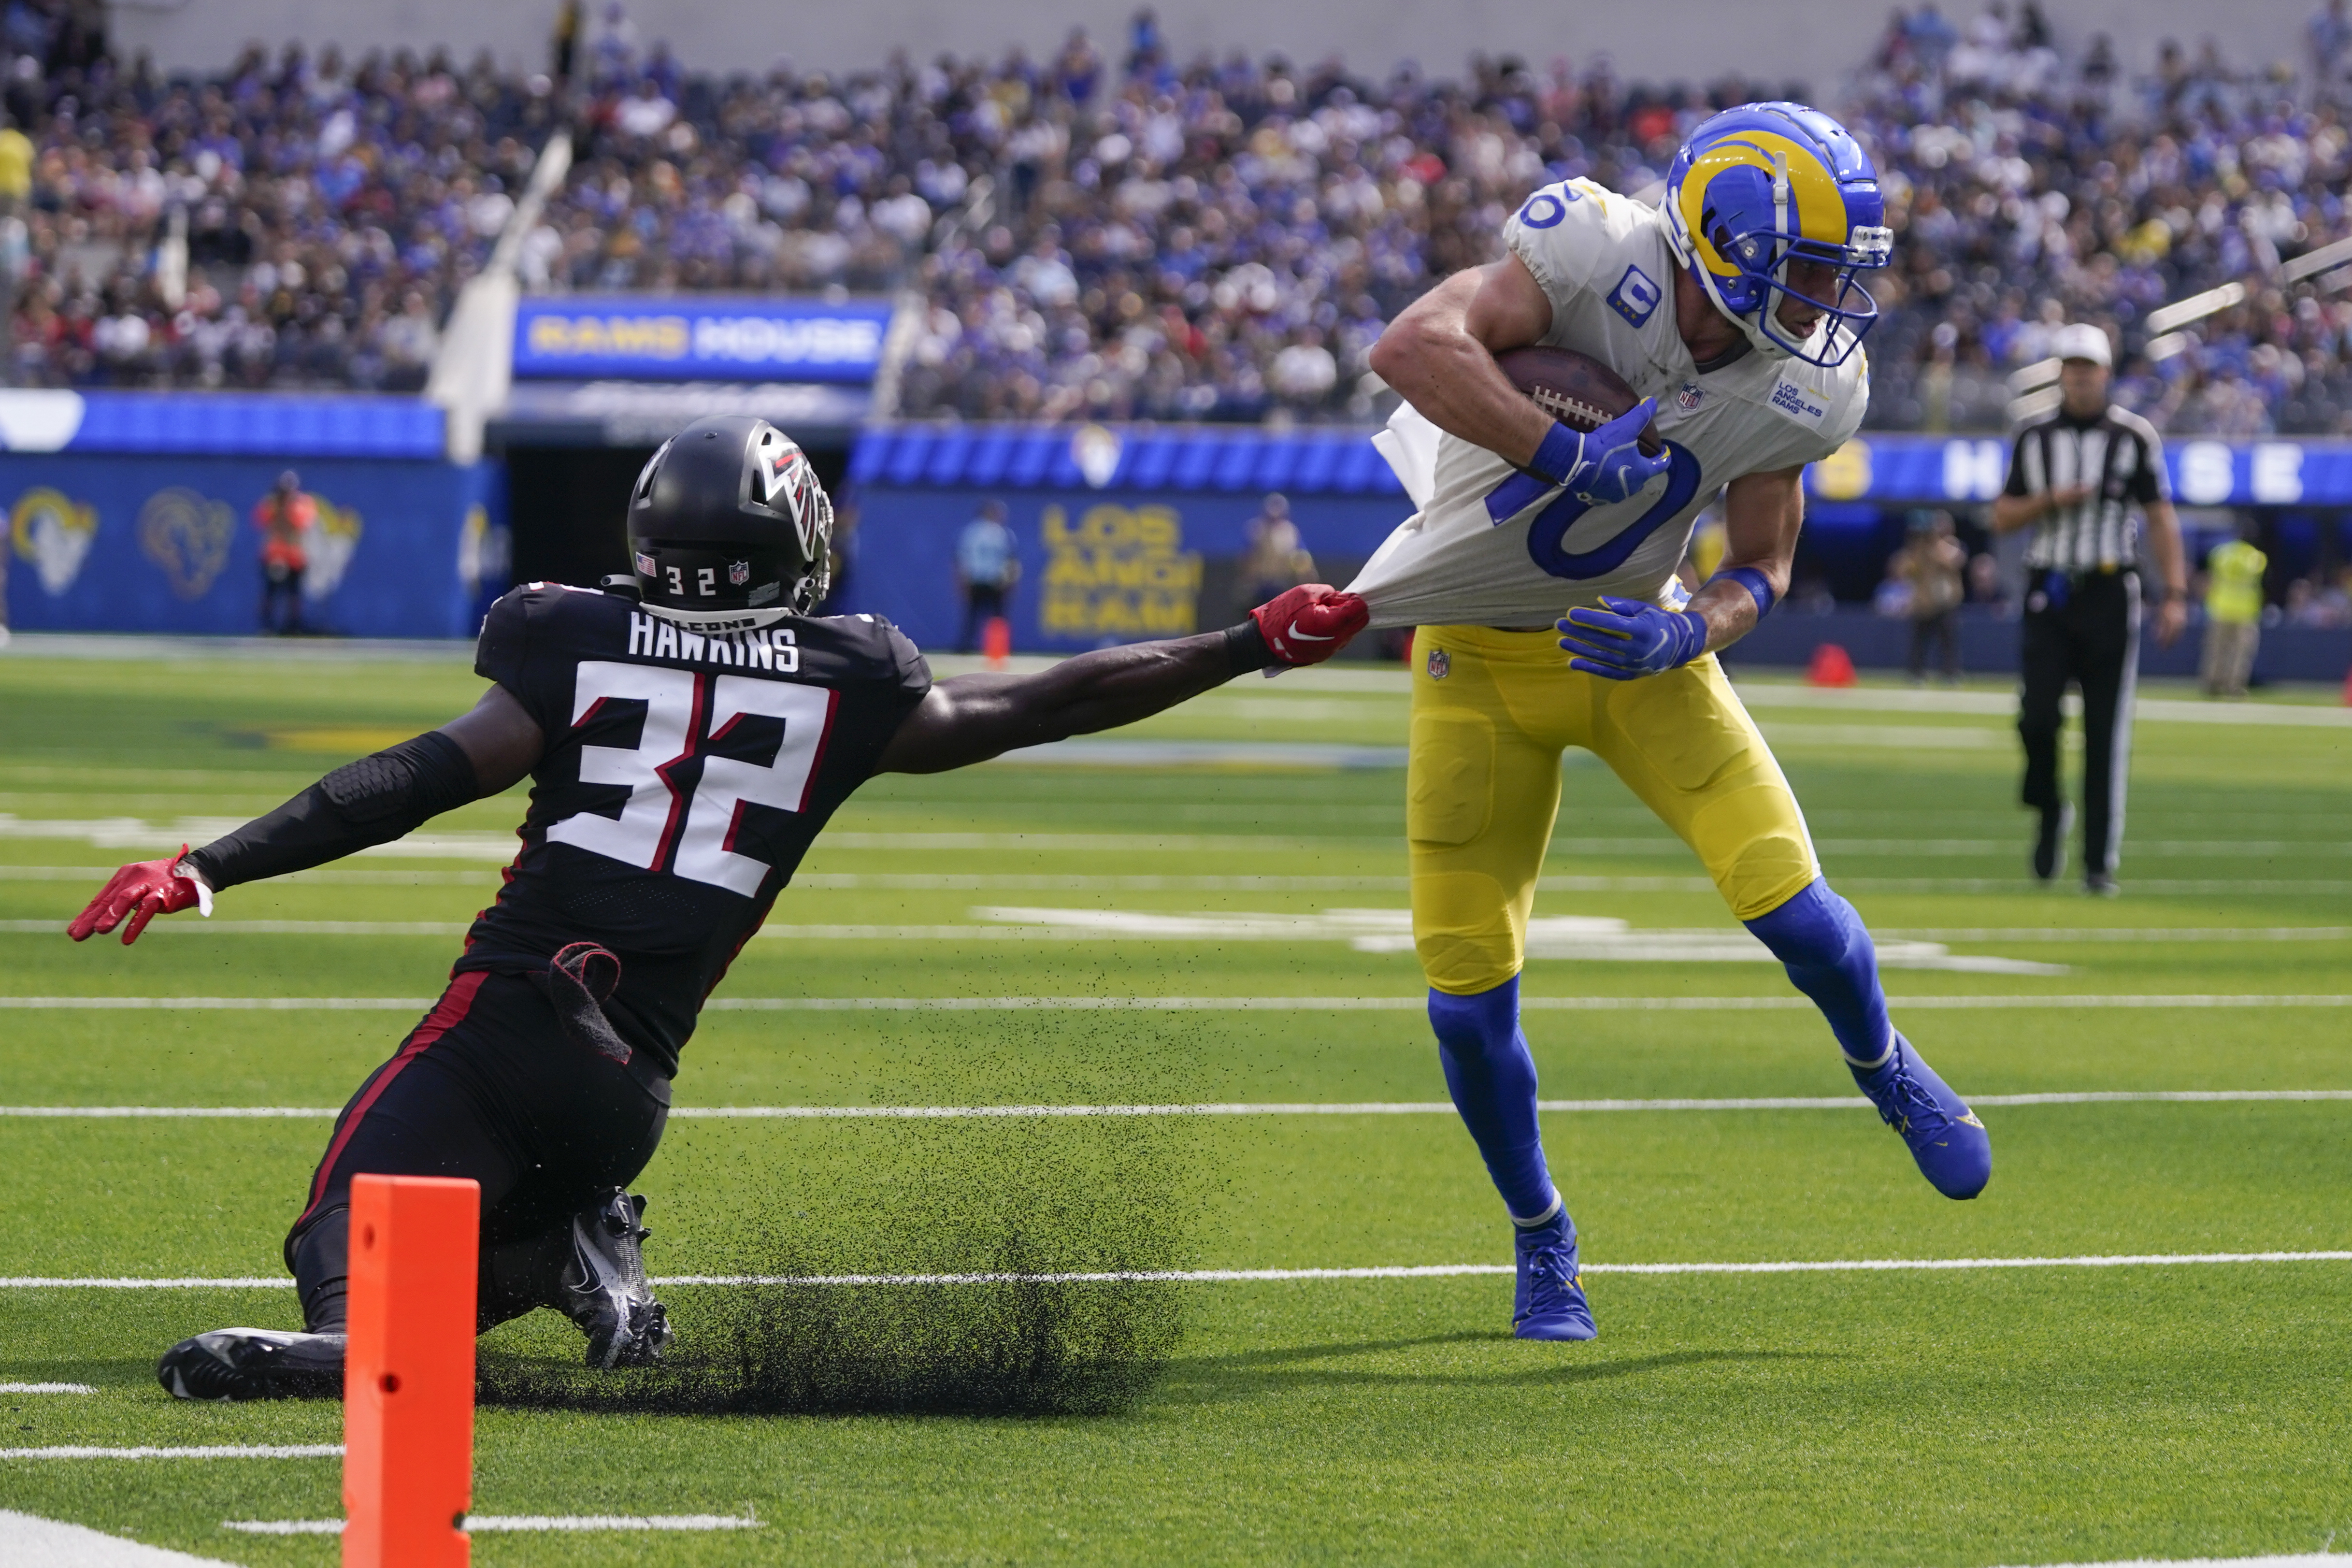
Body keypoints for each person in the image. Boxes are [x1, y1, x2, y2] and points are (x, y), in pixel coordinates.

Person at [69, 416, 1369, 1400]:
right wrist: (1246, 639)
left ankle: (377, 1336)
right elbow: (1051, 701)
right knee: (462, 1229)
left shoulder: (561, 634)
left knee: (337, 1230)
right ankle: (562, 1249)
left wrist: (211, 863)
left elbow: (411, 779)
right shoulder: (853, 674)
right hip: (631, 1085)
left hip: (511, 1014)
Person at [1359, 102, 1991, 1344]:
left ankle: (1883, 1062)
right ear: (1721, 232)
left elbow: (1761, 564)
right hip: (1477, 663)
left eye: (1838, 275)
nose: (1828, 300)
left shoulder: (1810, 384)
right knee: (1467, 996)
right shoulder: (1589, 251)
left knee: (1793, 902)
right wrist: (1555, 450)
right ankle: (1542, 1234)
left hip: (1628, 646)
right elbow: (1412, 347)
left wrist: (1687, 630)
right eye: (1811, 268)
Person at [1989, 322, 2186, 894]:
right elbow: (2000, 515)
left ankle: (2097, 862)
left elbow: (2158, 515)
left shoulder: (2133, 436)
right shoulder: (2033, 436)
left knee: (2104, 729)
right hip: (2048, 587)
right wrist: (2049, 500)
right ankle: (2048, 806)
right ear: (2059, 373)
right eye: (2069, 367)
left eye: (2087, 367)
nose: (2078, 377)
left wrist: (2172, 592)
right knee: (2037, 716)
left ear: (2105, 372)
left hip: (2107, 587)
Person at [1896, 510, 1967, 683]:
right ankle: (1916, 673)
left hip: (1945, 602)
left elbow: (1953, 563)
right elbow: (1903, 571)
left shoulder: (1950, 545)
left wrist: (1934, 545)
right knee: (1920, 641)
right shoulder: (1918, 549)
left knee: (1948, 641)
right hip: (1925, 603)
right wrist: (1918, 551)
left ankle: (1950, 673)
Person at [2199, 521, 2267, 698]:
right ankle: (2234, 685)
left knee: (2217, 649)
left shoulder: (2222, 553)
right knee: (2240, 652)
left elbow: (2211, 576)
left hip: (2220, 607)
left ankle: (2213, 682)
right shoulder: (2256, 558)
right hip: (2245, 611)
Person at [253, 470, 315, 635]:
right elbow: (261, 520)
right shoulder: (271, 503)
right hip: (274, 556)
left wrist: (288, 508)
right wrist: (278, 507)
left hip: (295, 557)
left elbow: (302, 524)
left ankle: (293, 625)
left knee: (294, 594)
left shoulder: (302, 503)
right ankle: (267, 625)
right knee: (271, 592)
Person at [953, 499, 1018, 653]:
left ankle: (989, 649)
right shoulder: (998, 533)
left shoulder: (974, 532)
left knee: (988, 617)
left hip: (984, 580)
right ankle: (988, 649)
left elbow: (961, 559)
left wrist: (963, 580)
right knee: (983, 616)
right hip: (988, 580)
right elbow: (1011, 562)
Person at [1235, 493, 1315, 609]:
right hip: (1259, 585)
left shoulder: (1289, 532)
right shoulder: (1256, 530)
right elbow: (1247, 557)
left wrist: (1306, 576)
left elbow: (1300, 557)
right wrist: (1246, 580)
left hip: (1281, 584)